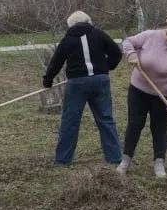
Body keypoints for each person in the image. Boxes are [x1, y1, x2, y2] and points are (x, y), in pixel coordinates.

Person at [42, 11, 124, 167]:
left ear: (71, 25)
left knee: (70, 121)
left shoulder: (67, 39)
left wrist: (48, 80)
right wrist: (106, 67)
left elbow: (56, 61)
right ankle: (115, 158)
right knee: (105, 119)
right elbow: (116, 52)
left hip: (77, 83)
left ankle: (62, 160)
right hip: (101, 81)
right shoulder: (100, 34)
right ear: (89, 21)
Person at [119, 17, 167, 178]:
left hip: (162, 96)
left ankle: (159, 162)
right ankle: (125, 161)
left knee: (159, 129)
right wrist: (131, 54)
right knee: (135, 125)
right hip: (138, 91)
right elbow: (127, 42)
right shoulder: (150, 36)